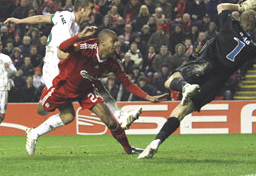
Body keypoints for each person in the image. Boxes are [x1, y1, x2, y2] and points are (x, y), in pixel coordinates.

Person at [138, 0, 256, 159]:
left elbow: (221, 7)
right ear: (254, 28)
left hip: (203, 65)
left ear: (241, 19)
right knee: (180, 112)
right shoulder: (251, 48)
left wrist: (241, 6)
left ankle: (184, 87)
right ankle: (156, 142)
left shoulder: (230, 25)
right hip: (216, 82)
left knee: (169, 81)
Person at [4, 0, 140, 130]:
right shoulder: (67, 24)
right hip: (54, 68)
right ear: (81, 9)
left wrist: (19, 21)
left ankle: (120, 115)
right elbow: (61, 53)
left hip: (63, 66)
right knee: (50, 111)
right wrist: (89, 64)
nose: (93, 12)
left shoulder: (68, 20)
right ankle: (37, 123)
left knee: (90, 88)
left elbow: (41, 18)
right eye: (91, 8)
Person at [25, 28, 167, 155]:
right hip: (63, 86)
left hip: (86, 90)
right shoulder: (88, 47)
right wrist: (79, 36)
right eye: (113, 41)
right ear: (102, 43)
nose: (116, 44)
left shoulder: (114, 60)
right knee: (45, 112)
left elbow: (127, 83)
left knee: (110, 121)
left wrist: (148, 97)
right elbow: (63, 47)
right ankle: (34, 132)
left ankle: (128, 149)